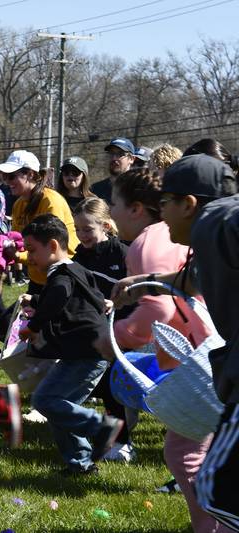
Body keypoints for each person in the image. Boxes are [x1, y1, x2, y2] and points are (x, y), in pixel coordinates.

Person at [111, 154, 237, 532]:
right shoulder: (214, 230)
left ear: (189, 204)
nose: (160, 211)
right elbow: (191, 280)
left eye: (165, 202)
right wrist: (145, 281)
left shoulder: (218, 222)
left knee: (219, 491)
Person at [18, 214, 122, 476]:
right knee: (60, 408)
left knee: (45, 399)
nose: (29, 257)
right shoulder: (75, 269)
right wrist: (37, 299)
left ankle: (101, 428)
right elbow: (78, 298)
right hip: (90, 349)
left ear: (53, 246)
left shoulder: (60, 276)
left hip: (86, 352)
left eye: (32, 250)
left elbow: (61, 295)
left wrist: (34, 326)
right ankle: (81, 465)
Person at [71, 197, 134, 462]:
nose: (82, 235)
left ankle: (123, 441)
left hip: (127, 326)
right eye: (78, 229)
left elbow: (137, 290)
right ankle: (116, 433)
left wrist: (117, 301)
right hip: (95, 329)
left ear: (106, 226)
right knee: (104, 386)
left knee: (114, 384)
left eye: (88, 229)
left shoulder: (121, 252)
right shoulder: (80, 256)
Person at [0, 150, 79, 292]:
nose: (7, 182)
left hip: (61, 277)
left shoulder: (50, 201)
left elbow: (52, 250)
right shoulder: (19, 204)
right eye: (4, 177)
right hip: (37, 278)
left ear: (30, 174)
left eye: (11, 176)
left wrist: (17, 256)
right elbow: (19, 241)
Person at [91, 137, 135, 203]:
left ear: (131, 159)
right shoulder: (95, 190)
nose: (114, 158)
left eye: (120, 154)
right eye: (111, 153)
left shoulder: (139, 189)